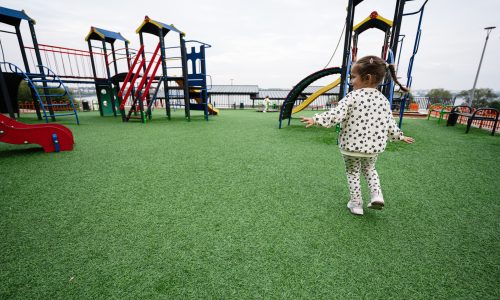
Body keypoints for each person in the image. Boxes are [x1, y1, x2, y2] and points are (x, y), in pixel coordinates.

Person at [300, 55, 415, 216]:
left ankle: (356, 204)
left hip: (351, 146)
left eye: (353, 77)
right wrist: (400, 136)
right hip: (373, 148)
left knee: (353, 173)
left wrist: (315, 119)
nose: (351, 81)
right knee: (370, 169)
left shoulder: (352, 97)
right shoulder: (383, 100)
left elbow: (336, 114)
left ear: (367, 78)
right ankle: (377, 195)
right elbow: (390, 123)